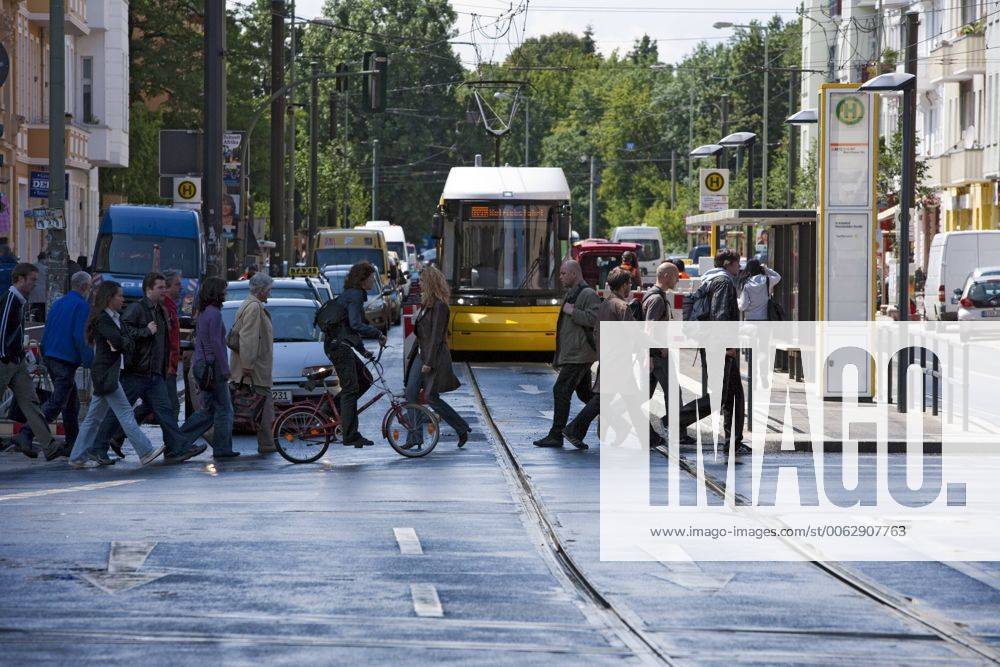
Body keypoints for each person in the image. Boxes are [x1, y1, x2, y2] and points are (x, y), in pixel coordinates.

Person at [91, 272, 205, 463]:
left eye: (164, 287)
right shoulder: (137, 309)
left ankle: (178, 448)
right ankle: (99, 447)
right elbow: (125, 333)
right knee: (119, 412)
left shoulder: (159, 309)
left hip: (154, 373)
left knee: (165, 410)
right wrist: (146, 331)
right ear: (148, 290)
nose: (164, 291)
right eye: (160, 288)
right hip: (137, 372)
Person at [655, 249, 747, 453]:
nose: (739, 268)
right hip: (719, 346)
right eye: (737, 263)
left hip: (713, 344)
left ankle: (733, 442)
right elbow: (720, 315)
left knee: (734, 394)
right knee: (719, 397)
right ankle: (673, 419)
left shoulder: (710, 280)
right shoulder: (723, 282)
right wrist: (726, 346)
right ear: (728, 264)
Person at [67, 281, 166, 469]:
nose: (123, 298)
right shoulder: (103, 319)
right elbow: (120, 342)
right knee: (126, 413)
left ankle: (77, 457)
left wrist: (122, 342)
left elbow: (122, 341)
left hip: (108, 372)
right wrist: (122, 342)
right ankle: (145, 452)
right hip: (106, 374)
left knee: (93, 418)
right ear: (109, 298)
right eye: (119, 295)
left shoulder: (114, 318)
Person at [17, 271, 93, 458]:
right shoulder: (81, 306)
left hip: (51, 355)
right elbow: (80, 336)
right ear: (85, 287)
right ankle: (27, 432)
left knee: (70, 402)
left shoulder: (59, 303)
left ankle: (72, 442)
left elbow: (48, 329)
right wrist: (90, 361)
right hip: (65, 359)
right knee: (58, 401)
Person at [563, 268, 635, 449]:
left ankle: (650, 436)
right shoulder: (622, 307)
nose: (631, 287)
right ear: (624, 285)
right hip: (619, 360)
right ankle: (573, 429)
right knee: (602, 400)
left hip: (608, 357)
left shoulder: (605, 304)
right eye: (630, 284)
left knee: (629, 399)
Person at [534, 260, 599, 448]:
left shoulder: (588, 294)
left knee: (561, 390)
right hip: (575, 353)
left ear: (574, 274)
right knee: (588, 395)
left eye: (563, 273)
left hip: (580, 354)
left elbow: (595, 319)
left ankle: (556, 434)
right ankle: (625, 424)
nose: (560, 277)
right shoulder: (572, 293)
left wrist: (573, 311)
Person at [403, 266, 470, 448]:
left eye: (423, 281)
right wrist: (411, 356)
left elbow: (436, 337)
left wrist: (429, 362)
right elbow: (421, 335)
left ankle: (461, 427)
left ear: (431, 283)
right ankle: (414, 437)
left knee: (431, 397)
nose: (419, 284)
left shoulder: (440, 306)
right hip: (420, 355)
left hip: (434, 357)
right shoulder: (426, 305)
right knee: (410, 393)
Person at [0, 263, 60, 460]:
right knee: (29, 402)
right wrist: (3, 356)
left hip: (16, 362)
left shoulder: (19, 301)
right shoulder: (10, 299)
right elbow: (1, 331)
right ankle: (49, 445)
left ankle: (49, 446)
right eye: (32, 280)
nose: (35, 284)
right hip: (6, 361)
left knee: (31, 402)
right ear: (20, 279)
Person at [325, 262, 386, 448]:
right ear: (363, 279)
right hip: (338, 347)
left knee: (365, 378)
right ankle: (350, 434)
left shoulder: (353, 294)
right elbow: (355, 325)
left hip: (340, 345)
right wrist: (377, 333)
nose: (373, 281)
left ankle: (332, 407)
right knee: (351, 390)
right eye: (371, 278)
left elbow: (349, 329)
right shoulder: (356, 295)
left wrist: (363, 351)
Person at [180, 277, 238, 458]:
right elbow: (216, 344)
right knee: (224, 410)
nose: (225, 293)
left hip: (202, 365)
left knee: (209, 410)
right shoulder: (214, 314)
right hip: (212, 367)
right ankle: (222, 449)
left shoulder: (204, 313)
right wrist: (225, 367)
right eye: (224, 290)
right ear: (216, 293)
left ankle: (178, 441)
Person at [229, 272, 278, 454]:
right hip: (255, 370)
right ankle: (267, 444)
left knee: (261, 406)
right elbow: (248, 338)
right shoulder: (254, 308)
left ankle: (267, 443)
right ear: (262, 291)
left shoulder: (248, 304)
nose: (270, 294)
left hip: (254, 368)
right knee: (263, 407)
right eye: (269, 290)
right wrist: (247, 366)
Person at [643, 262, 686, 448]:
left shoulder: (657, 297)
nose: (678, 279)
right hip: (659, 356)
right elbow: (649, 328)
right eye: (676, 275)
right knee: (674, 393)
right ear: (667, 276)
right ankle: (678, 432)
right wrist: (651, 355)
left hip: (656, 355)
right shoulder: (657, 299)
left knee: (643, 395)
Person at [28, 252, 47, 322]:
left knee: (35, 307)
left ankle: (35, 320)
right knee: (43, 308)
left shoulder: (32, 267)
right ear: (44, 259)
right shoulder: (46, 268)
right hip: (43, 292)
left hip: (34, 291)